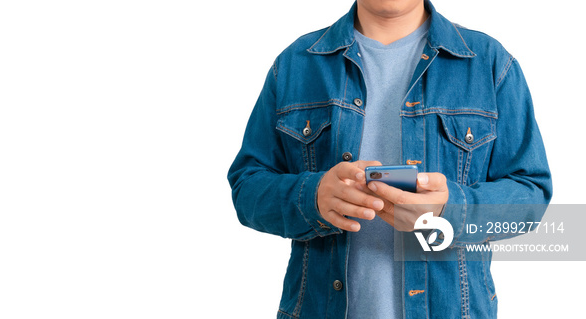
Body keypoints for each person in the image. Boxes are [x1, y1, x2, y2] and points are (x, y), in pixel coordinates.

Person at [227, 0, 552, 318]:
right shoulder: (296, 64)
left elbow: (531, 196)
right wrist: (313, 196)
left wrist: (450, 210)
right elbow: (248, 187)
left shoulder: (490, 63)